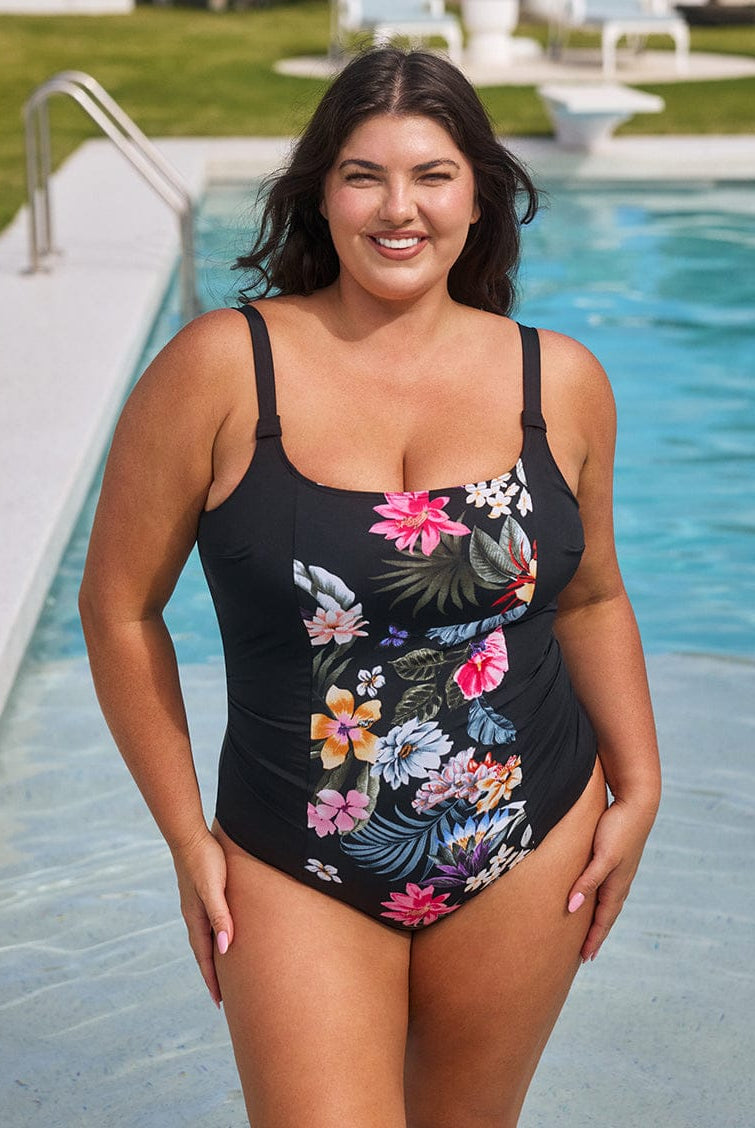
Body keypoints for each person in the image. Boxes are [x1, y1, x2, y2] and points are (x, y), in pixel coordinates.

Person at [79, 47, 661, 1128]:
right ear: (320, 194)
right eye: (363, 175)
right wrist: (183, 837)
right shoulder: (220, 368)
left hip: (526, 837)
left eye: (432, 175)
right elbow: (116, 609)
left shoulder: (560, 381)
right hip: (291, 850)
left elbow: (588, 597)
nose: (399, 209)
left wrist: (640, 789)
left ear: (478, 194)